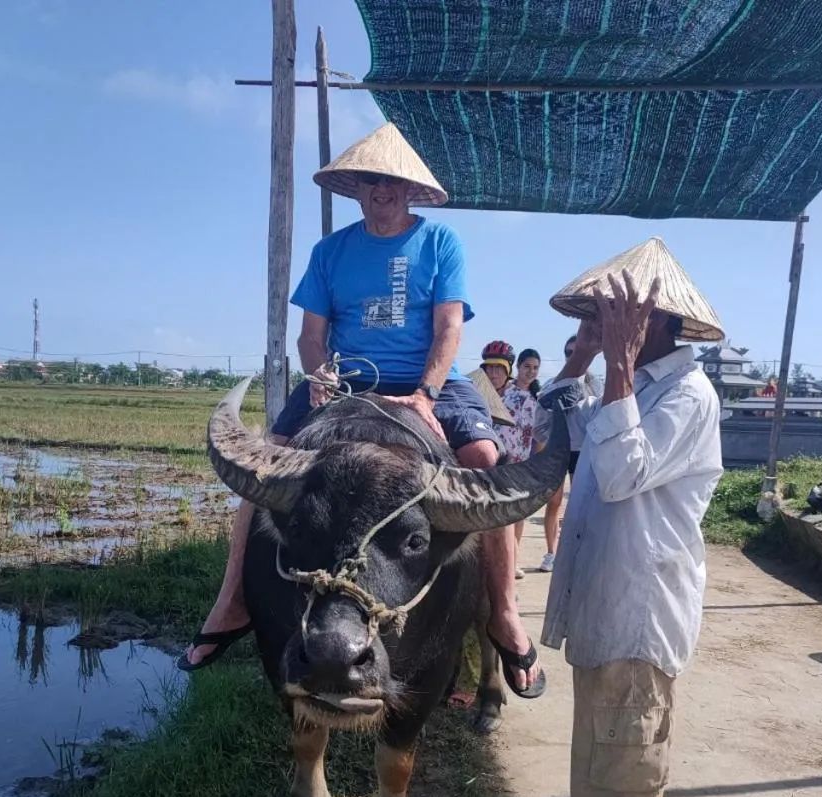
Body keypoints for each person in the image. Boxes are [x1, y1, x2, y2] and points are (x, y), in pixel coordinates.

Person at [180, 122, 545, 699]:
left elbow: (449, 326)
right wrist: (320, 375)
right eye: (373, 181)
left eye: (394, 183)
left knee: (481, 456)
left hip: (429, 378)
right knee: (264, 462)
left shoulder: (439, 243)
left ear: (409, 192)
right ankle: (231, 600)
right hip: (345, 378)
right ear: (358, 190)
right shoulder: (331, 251)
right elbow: (311, 335)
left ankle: (503, 610)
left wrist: (425, 393)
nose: (383, 191)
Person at [539, 237, 724, 797]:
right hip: (612, 620)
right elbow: (574, 433)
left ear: (661, 324)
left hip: (635, 630)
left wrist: (615, 365)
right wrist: (583, 365)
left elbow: (618, 474)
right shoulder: (639, 387)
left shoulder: (686, 395)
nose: (607, 326)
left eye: (618, 317)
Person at [538, 335, 603, 572]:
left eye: (578, 351)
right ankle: (551, 552)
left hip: (583, 452)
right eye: (569, 352)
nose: (574, 356)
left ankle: (578, 551)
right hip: (558, 450)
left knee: (580, 503)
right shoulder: (553, 384)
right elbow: (539, 425)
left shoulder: (596, 385)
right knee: (553, 503)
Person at [478, 341, 538, 579]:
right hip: (485, 467)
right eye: (489, 368)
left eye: (499, 369)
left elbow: (530, 435)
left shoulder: (523, 398)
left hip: (513, 467)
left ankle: (511, 565)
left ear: (508, 370)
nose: (493, 374)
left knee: (511, 518)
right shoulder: (477, 393)